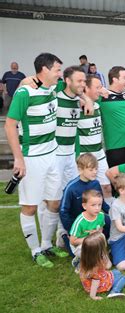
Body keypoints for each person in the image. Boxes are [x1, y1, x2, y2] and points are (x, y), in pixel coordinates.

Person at [4, 53, 68, 267]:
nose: (60, 74)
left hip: (52, 154)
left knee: (54, 202)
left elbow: (74, 87)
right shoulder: (25, 92)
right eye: (57, 70)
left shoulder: (52, 87)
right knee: (30, 206)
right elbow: (9, 125)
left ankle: (47, 244)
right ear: (45, 69)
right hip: (31, 158)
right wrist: (18, 159)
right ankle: (34, 251)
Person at [60, 153, 111, 254]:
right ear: (80, 169)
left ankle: (103, 242)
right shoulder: (71, 188)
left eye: (96, 169)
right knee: (80, 253)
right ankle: (65, 237)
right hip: (78, 223)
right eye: (91, 170)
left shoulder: (95, 183)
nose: (94, 172)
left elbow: (103, 203)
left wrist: (114, 213)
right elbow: (63, 211)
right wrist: (72, 230)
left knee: (108, 220)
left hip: (92, 220)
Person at [77, 74, 112, 204]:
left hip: (99, 153)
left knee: (106, 187)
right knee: (84, 190)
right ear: (86, 88)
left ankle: (110, 219)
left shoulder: (98, 103)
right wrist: (82, 98)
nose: (100, 90)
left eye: (101, 87)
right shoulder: (77, 105)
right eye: (97, 87)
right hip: (84, 155)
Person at [99, 66, 125, 168]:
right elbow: (82, 91)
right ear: (115, 79)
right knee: (118, 182)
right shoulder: (102, 97)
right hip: (115, 149)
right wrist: (99, 89)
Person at [79, 232, 125, 300]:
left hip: (89, 281)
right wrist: (93, 296)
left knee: (116, 272)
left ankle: (112, 283)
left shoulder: (85, 259)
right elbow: (108, 266)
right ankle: (114, 292)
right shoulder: (98, 263)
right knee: (123, 278)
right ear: (100, 249)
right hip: (100, 284)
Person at [69, 190, 106, 270]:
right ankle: (79, 260)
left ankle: (96, 256)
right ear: (84, 206)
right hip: (79, 245)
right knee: (91, 267)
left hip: (93, 241)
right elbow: (72, 241)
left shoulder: (101, 216)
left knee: (107, 265)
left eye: (99, 205)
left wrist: (97, 236)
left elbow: (100, 229)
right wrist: (90, 238)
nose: (97, 208)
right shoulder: (80, 221)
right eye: (93, 205)